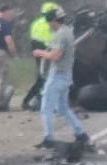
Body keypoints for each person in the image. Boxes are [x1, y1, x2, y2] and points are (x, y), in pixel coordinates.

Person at [33, 8, 89, 148]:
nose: (48, 24)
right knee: (63, 108)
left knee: (46, 108)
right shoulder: (68, 32)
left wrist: (40, 52)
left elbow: (55, 56)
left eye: (48, 21)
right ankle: (80, 133)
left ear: (53, 21)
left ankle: (49, 138)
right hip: (66, 75)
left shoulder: (60, 35)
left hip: (57, 76)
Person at [21, 2, 59, 110]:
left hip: (37, 52)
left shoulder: (36, 23)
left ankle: (28, 100)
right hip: (47, 52)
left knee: (41, 78)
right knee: (47, 78)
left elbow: (33, 38)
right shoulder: (50, 23)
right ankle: (41, 101)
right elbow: (52, 39)